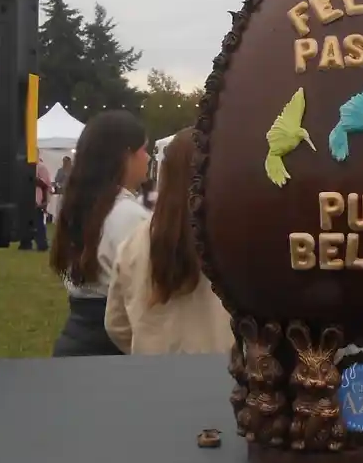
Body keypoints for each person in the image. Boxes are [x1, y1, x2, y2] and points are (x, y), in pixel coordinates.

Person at [104, 128, 232, 355]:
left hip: (155, 377)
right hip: (221, 375)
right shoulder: (236, 240)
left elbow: (116, 324)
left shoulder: (135, 241)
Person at [49, 110, 151, 357]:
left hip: (75, 337)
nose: (148, 158)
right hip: (111, 348)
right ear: (126, 155)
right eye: (144, 150)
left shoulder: (80, 205)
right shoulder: (129, 215)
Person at [20, 157, 53, 251]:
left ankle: (42, 244)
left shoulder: (41, 167)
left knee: (37, 221)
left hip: (36, 198)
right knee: (25, 222)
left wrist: (45, 201)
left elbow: (46, 184)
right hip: (25, 198)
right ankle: (26, 243)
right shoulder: (23, 166)